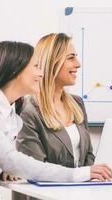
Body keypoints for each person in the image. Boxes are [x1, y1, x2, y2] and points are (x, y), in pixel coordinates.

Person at [0, 41, 112, 199]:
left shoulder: (12, 110)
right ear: (15, 70)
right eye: (36, 67)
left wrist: (1, 170)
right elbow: (9, 159)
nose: (41, 73)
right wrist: (81, 174)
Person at [16, 33, 97, 174]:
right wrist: (81, 176)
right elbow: (35, 168)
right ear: (52, 62)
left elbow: (88, 155)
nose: (78, 64)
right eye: (71, 58)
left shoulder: (76, 103)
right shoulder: (28, 110)